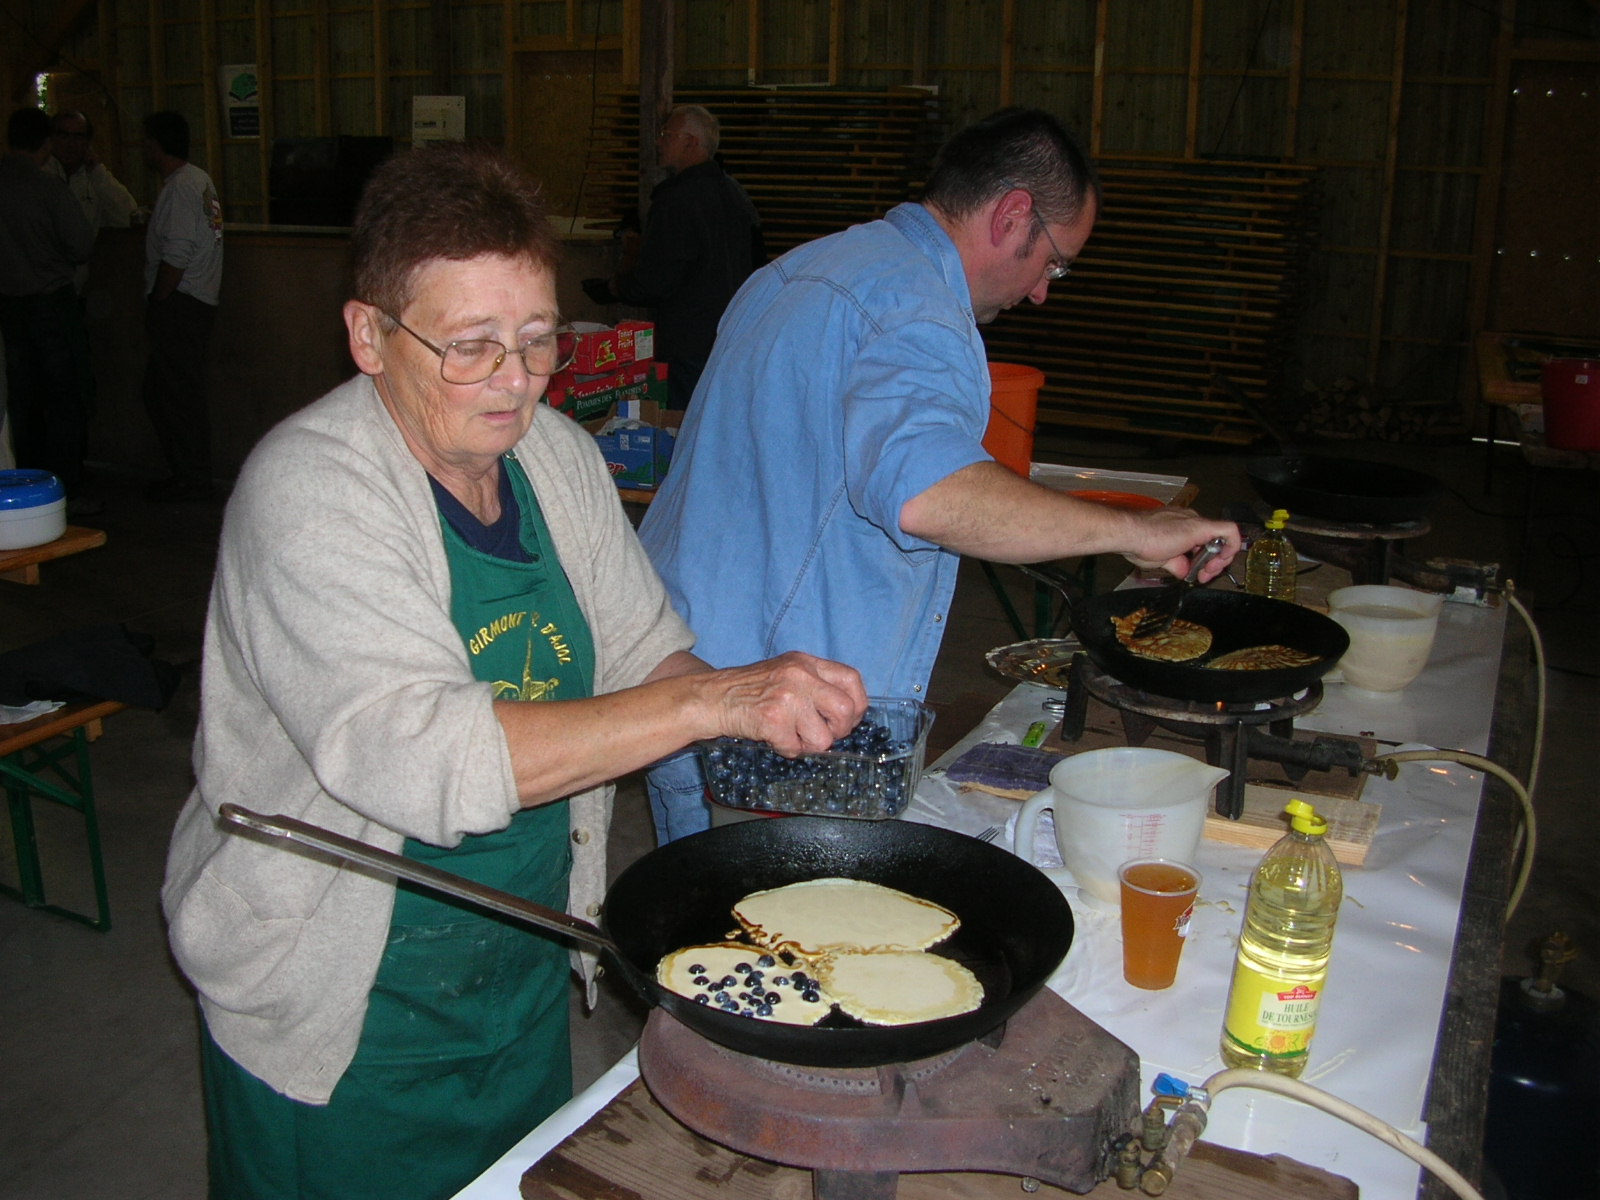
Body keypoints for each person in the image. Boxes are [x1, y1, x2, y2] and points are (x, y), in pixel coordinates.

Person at [161, 141, 866, 1200]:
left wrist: (756, 712)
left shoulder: (553, 459)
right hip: (345, 1000)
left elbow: (639, 652)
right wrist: (708, 698)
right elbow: (421, 757)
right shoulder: (309, 494)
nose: (515, 382)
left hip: (518, 962)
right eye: (471, 346)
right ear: (368, 334)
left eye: (537, 342)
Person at [636, 107, 1241, 842]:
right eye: (1054, 262)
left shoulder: (805, 266)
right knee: (771, 936)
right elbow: (932, 493)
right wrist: (1133, 530)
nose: (1045, 290)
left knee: (706, 934)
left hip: (682, 674)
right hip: (775, 731)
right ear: (1013, 214)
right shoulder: (918, 310)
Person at [582, 104, 763, 408]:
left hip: (688, 344)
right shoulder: (736, 195)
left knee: (683, 426)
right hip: (733, 335)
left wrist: (616, 287)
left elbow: (657, 279)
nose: (659, 141)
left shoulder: (678, 200)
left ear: (691, 143)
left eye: (667, 134)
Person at [0, 107, 96, 505]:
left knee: (21, 402)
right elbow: (81, 245)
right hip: (51, 305)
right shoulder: (48, 188)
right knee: (65, 400)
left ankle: (27, 487)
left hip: (7, 308)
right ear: (45, 144)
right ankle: (66, 491)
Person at [141, 110, 223, 501]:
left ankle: (190, 478)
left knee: (174, 394)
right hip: (195, 301)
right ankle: (190, 474)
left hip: (181, 302)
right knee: (169, 391)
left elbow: (177, 253)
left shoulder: (179, 189)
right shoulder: (199, 181)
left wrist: (159, 299)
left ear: (155, 145)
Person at [46, 109, 140, 279]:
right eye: (64, 135)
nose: (70, 144)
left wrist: (97, 171)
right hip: (42, 285)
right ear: (51, 139)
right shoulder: (42, 177)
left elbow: (128, 216)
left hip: (77, 286)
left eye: (78, 136)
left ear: (87, 142)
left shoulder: (95, 179)